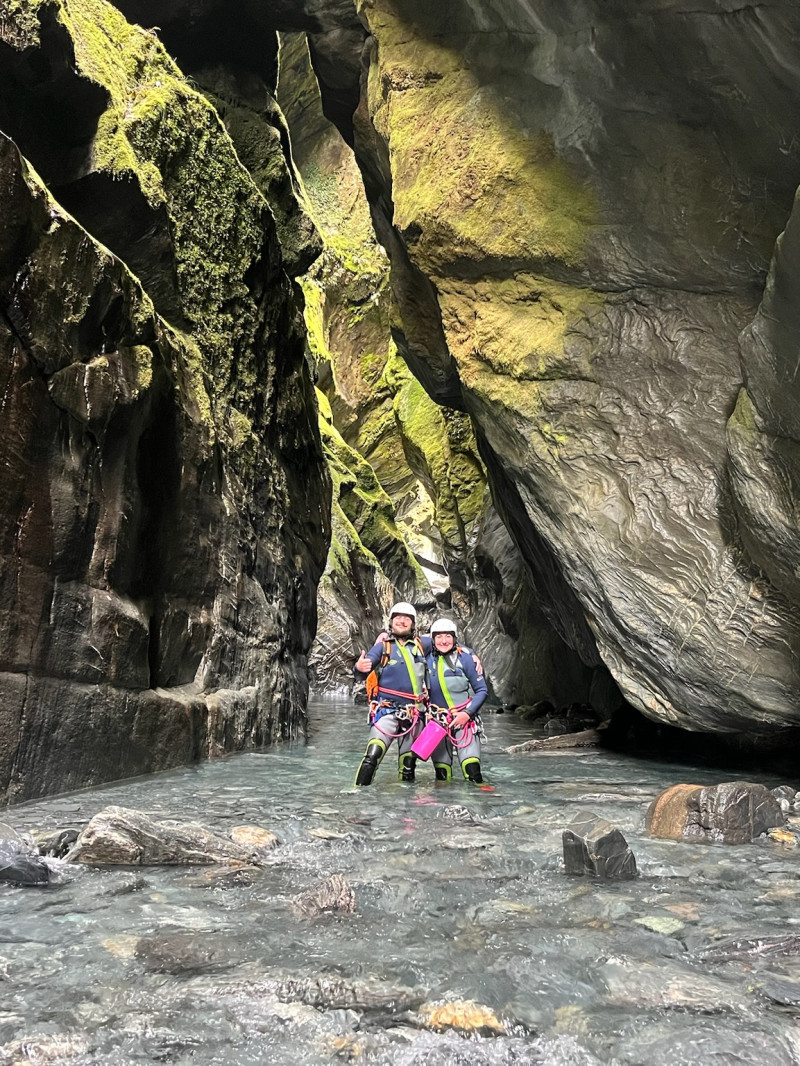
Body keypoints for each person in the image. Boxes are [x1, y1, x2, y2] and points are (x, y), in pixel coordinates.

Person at [353, 602, 429, 786]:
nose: (402, 621)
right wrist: (359, 667)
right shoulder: (383, 647)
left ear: (413, 624)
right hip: (387, 710)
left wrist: (470, 655)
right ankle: (357, 797)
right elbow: (364, 668)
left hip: (415, 713)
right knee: (373, 756)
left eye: (407, 618)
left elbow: (447, 643)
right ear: (391, 621)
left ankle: (405, 807)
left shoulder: (422, 644)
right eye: (398, 617)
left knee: (408, 765)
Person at [424, 617, 487, 783]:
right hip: (437, 722)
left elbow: (482, 690)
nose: (443, 641)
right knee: (442, 775)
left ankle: (482, 803)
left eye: (448, 636)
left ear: (455, 638)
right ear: (432, 639)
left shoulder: (465, 658)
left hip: (465, 721)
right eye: (439, 637)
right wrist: (382, 637)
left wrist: (467, 713)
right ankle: (444, 806)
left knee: (472, 771)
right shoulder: (425, 657)